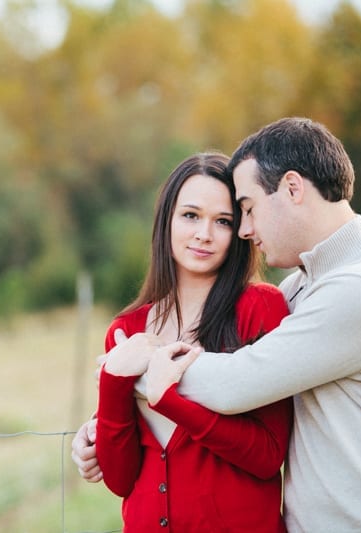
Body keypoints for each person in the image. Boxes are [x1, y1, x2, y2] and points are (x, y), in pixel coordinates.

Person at [74, 117, 361, 532]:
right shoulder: (304, 288)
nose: (245, 229)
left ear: (292, 188)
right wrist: (107, 423)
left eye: (244, 210)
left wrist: (128, 374)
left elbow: (236, 383)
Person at [93, 152, 293, 531]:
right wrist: (113, 381)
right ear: (166, 220)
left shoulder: (260, 308)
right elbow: (120, 480)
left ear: (239, 232)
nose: (204, 233)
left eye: (223, 221)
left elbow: (267, 455)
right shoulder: (127, 330)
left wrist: (168, 399)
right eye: (190, 215)